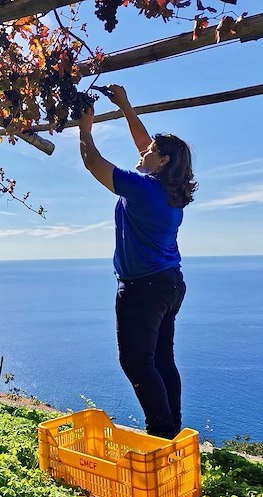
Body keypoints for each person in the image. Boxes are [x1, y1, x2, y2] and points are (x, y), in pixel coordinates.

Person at [78, 84, 198, 440]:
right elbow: (145, 146)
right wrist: (126, 106)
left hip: (143, 288)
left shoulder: (143, 188)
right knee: (162, 359)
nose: (143, 151)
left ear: (162, 162)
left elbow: (93, 163)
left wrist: (85, 128)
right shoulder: (168, 191)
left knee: (136, 362)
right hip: (170, 284)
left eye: (152, 151)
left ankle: (160, 434)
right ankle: (172, 431)